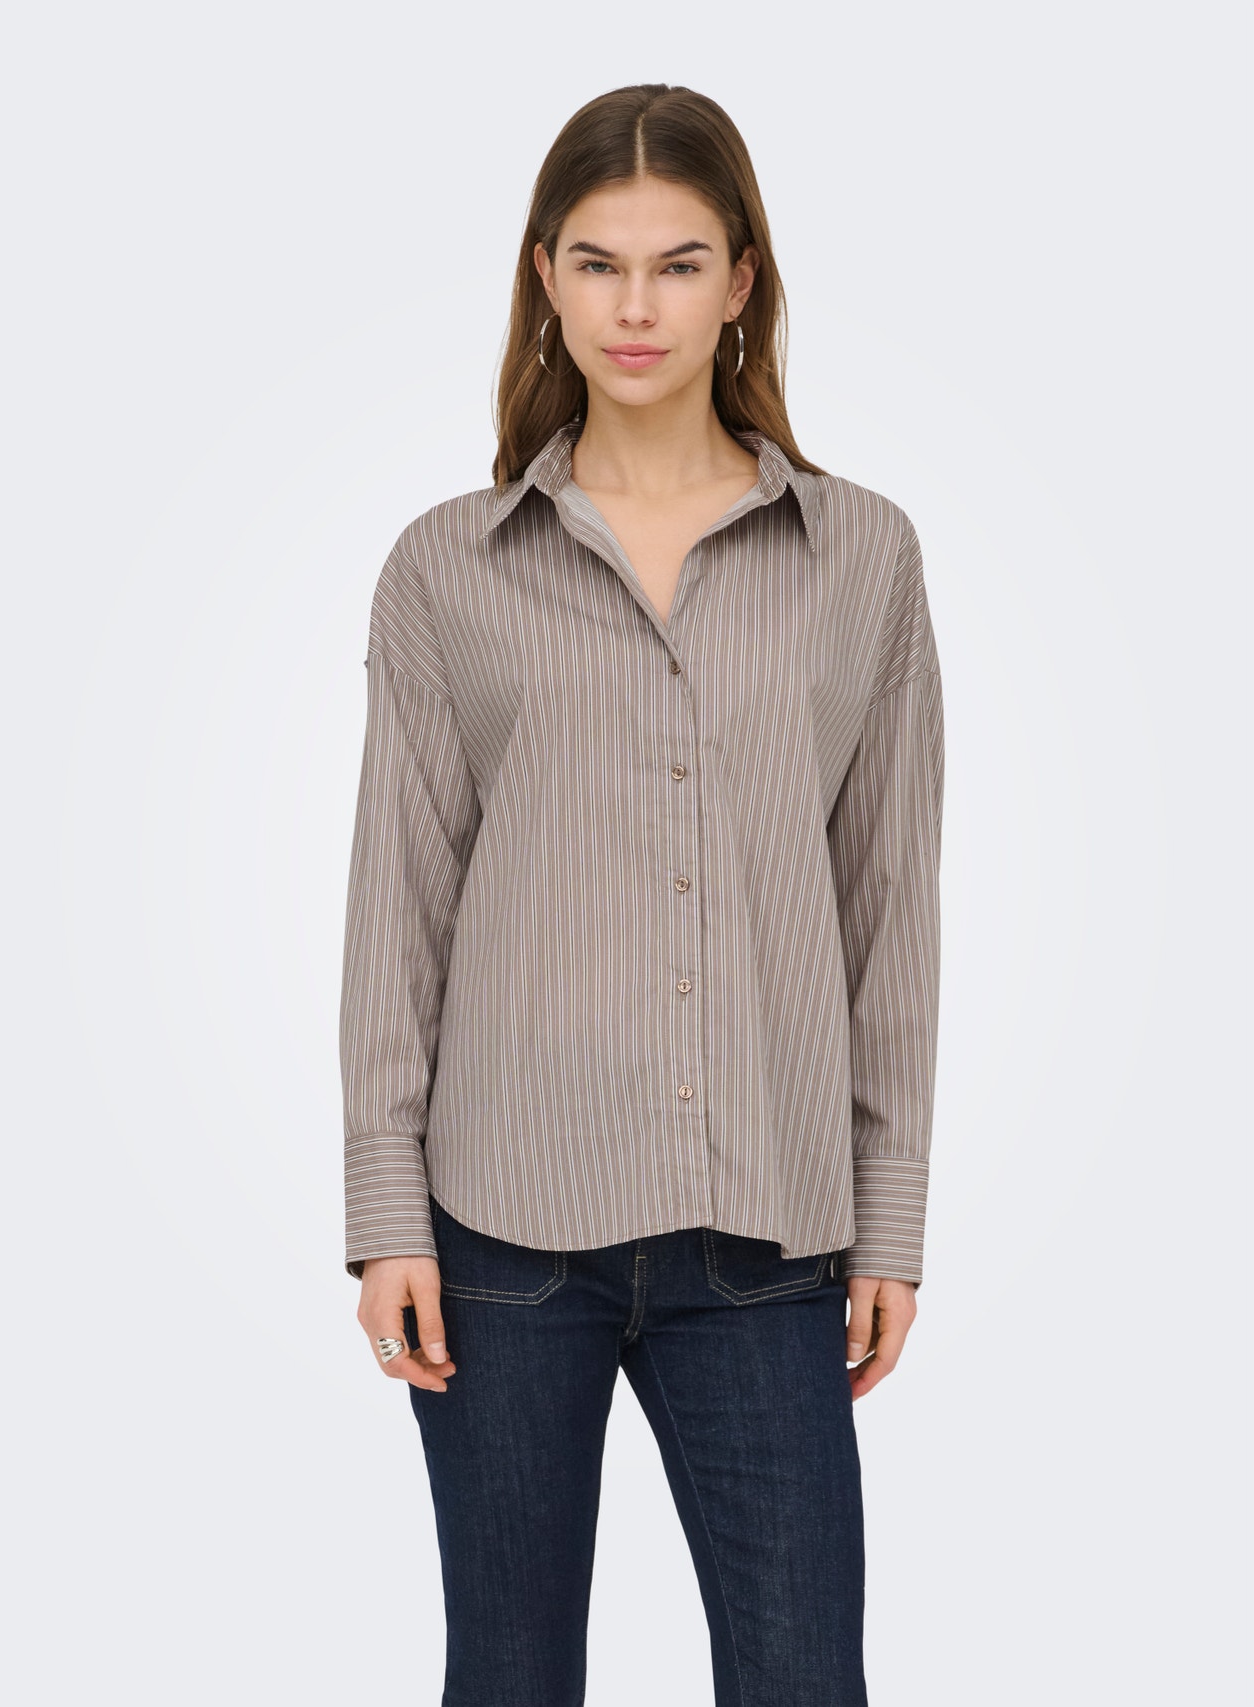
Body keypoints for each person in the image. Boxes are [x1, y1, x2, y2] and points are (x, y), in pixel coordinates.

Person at [340, 82, 944, 1707]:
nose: (636, 307)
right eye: (598, 263)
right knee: (510, 1676)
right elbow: (399, 907)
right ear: (544, 277)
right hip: (500, 1234)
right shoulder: (448, 569)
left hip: (764, 1234)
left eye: (678, 264)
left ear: (742, 281)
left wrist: (890, 1213)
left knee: (802, 1676)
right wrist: (386, 1214)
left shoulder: (862, 558)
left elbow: (890, 910)